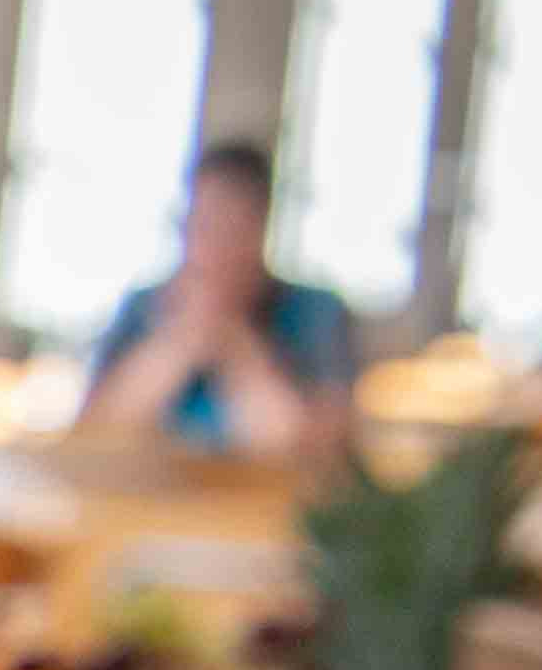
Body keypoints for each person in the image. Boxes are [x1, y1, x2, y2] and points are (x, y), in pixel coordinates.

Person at [78, 142, 356, 460]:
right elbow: (91, 436)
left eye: (233, 229)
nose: (215, 249)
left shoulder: (317, 312)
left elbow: (312, 452)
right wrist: (178, 345)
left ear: (261, 229)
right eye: (204, 225)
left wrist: (236, 348)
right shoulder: (144, 306)